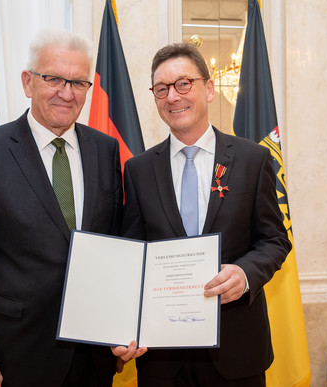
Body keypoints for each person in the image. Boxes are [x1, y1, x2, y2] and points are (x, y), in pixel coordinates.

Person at [0, 29, 142, 387]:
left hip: (94, 354)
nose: (66, 93)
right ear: (28, 82)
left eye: (78, 82)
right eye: (53, 78)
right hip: (17, 356)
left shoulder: (105, 150)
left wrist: (120, 330)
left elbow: (116, 251)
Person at [121, 43, 291, 386]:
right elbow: (131, 255)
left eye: (184, 83)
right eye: (161, 88)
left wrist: (244, 274)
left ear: (209, 89)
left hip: (237, 351)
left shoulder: (252, 160)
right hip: (162, 358)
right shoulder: (138, 170)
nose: (173, 96)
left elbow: (275, 240)